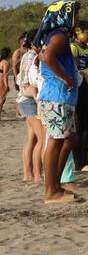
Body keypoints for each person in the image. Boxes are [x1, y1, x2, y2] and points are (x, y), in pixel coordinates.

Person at [34, 0, 82, 204]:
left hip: (62, 98)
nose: (77, 19)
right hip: (57, 97)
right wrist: (65, 78)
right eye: (76, 15)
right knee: (55, 141)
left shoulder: (57, 35)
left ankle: (55, 184)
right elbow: (47, 57)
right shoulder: (59, 36)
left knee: (69, 139)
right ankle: (50, 190)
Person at [67, 22, 88, 173]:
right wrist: (87, 72)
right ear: (78, 33)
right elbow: (72, 69)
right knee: (82, 125)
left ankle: (84, 159)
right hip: (81, 88)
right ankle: (79, 162)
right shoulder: (73, 48)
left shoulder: (87, 48)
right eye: (87, 33)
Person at [15, 35, 44, 183]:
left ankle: (28, 174)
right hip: (30, 99)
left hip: (25, 98)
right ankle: (37, 174)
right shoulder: (32, 56)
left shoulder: (27, 55)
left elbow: (20, 79)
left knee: (32, 139)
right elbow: (28, 82)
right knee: (41, 138)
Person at [0, 47, 9, 121]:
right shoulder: (5, 63)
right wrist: (6, 85)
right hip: (1, 81)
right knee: (2, 99)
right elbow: (5, 75)